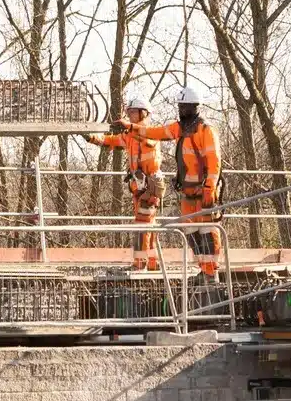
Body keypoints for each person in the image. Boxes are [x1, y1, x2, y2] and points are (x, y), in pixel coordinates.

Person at [146, 84, 222, 276]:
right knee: (190, 231)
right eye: (180, 106)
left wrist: (209, 187)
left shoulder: (205, 130)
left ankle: (211, 271)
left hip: (203, 191)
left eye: (184, 107)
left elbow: (214, 162)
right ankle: (203, 268)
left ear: (194, 107)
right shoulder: (180, 129)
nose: (181, 110)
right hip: (187, 192)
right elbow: (156, 132)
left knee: (207, 231)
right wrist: (131, 128)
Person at [87, 94, 164, 270]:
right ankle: (152, 263)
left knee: (143, 224)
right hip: (139, 186)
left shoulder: (150, 132)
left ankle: (140, 264)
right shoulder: (130, 135)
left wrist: (129, 127)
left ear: (144, 113)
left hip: (150, 187)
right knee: (147, 224)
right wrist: (91, 137)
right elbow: (111, 141)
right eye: (129, 113)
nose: (129, 115)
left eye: (133, 112)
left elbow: (146, 138)